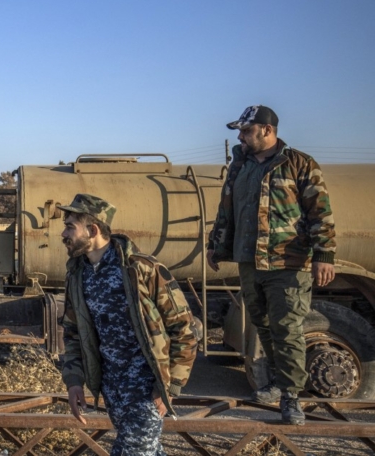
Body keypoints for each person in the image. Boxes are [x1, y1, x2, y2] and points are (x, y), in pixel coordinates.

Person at [207, 105, 336, 425]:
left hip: (287, 262)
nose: (240, 136)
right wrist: (216, 245)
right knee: (263, 325)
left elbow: (320, 212)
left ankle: (291, 396)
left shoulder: (299, 164)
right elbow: (227, 209)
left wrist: (324, 255)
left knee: (288, 329)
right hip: (250, 260)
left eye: (245, 130)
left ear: (267, 130)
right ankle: (277, 385)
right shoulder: (240, 165)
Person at [59, 193, 197, 456]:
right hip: (112, 387)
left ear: (93, 229)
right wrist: (74, 380)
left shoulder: (142, 269)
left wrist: (171, 384)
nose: (63, 234)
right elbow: (74, 333)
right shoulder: (78, 275)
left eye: (69, 226)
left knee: (133, 451)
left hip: (147, 387)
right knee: (146, 451)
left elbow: (184, 328)